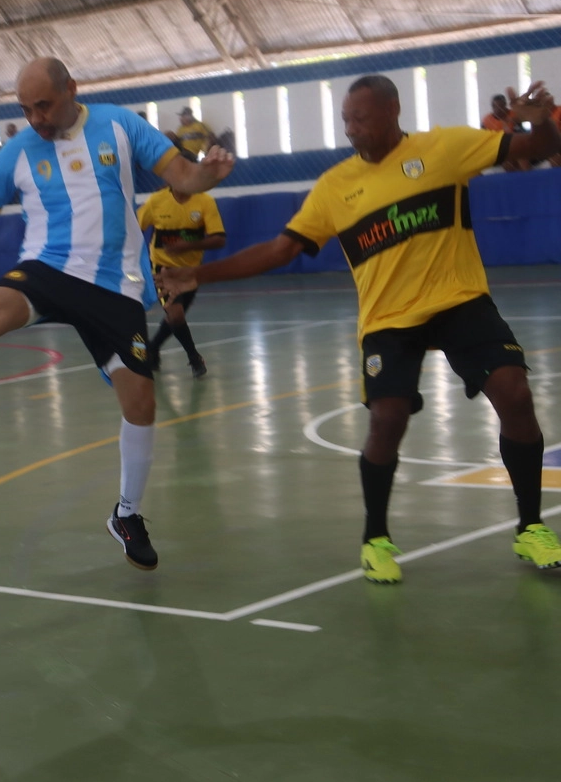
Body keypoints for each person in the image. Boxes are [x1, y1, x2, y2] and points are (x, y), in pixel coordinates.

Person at [157, 74, 561, 583]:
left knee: (515, 393)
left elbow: (541, 145)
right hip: (388, 317)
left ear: (393, 111)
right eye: (346, 120)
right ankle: (375, 538)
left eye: (360, 118)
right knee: (387, 419)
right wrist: (200, 273)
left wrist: (540, 120)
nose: (352, 129)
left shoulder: (446, 147)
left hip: (459, 299)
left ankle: (531, 527)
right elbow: (279, 250)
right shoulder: (335, 187)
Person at [0, 57, 233, 570]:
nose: (36, 119)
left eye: (43, 105)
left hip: (115, 286)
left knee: (140, 402)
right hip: (48, 267)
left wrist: (208, 172)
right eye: (26, 109)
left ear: (71, 88)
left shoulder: (120, 124)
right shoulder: (18, 153)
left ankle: (127, 514)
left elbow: (182, 173)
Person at [137, 186, 226, 377]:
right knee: (176, 315)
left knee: (175, 319)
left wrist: (189, 246)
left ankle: (152, 348)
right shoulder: (156, 202)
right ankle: (194, 357)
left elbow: (219, 239)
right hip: (163, 270)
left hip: (190, 271)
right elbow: (135, 228)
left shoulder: (205, 202)